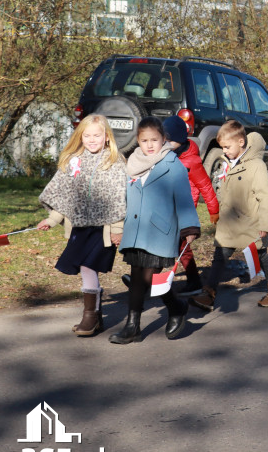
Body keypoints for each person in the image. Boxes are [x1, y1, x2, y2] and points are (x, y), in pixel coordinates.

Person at [110, 117, 200, 343]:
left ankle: (175, 307)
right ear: (137, 141)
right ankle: (134, 327)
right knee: (138, 277)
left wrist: (189, 227)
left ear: (163, 139)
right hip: (136, 230)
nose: (149, 145)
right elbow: (123, 199)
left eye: (154, 140)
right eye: (144, 140)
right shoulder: (132, 164)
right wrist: (117, 226)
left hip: (160, 231)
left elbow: (184, 199)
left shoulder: (173, 165)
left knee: (149, 278)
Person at [38, 114, 126, 337]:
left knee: (88, 266)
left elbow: (119, 196)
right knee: (84, 267)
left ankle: (89, 317)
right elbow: (65, 195)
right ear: (80, 136)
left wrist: (118, 228)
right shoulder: (74, 160)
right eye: (87, 135)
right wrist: (52, 219)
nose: (92, 139)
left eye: (97, 135)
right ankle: (94, 315)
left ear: (107, 137)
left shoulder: (114, 161)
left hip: (104, 228)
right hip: (80, 227)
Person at [119, 116, 218, 296]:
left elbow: (205, 186)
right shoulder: (161, 156)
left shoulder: (191, 161)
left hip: (182, 208)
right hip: (165, 208)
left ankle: (154, 282)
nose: (167, 143)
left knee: (179, 246)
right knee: (174, 246)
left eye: (170, 140)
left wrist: (214, 210)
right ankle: (148, 281)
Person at [190, 120, 268, 311]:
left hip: (251, 224)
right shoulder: (230, 163)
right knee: (219, 256)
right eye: (222, 147)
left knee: (261, 255)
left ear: (241, 142)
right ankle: (209, 294)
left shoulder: (256, 165)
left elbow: (265, 197)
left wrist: (266, 224)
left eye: (227, 146)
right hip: (230, 223)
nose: (224, 151)